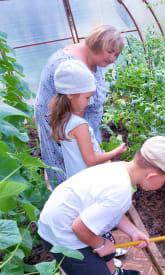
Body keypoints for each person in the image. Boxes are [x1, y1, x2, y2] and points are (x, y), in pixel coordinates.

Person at [37, 136, 165, 275]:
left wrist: (133, 231)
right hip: (61, 237)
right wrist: (99, 245)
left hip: (58, 220)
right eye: (164, 182)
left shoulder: (120, 169)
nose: (162, 185)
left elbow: (110, 212)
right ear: (152, 175)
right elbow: (80, 228)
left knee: (107, 240)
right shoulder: (120, 191)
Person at [35, 24, 124, 187]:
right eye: (110, 52)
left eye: (116, 54)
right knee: (65, 163)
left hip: (83, 127)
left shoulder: (95, 61)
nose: (112, 59)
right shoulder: (67, 65)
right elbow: (88, 157)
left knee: (81, 164)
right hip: (62, 122)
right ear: (96, 45)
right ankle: (62, 192)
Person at [48, 59, 126, 179]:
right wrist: (116, 152)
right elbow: (91, 160)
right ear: (70, 95)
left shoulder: (63, 119)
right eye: (87, 97)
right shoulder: (79, 125)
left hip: (76, 179)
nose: (89, 102)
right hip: (89, 180)